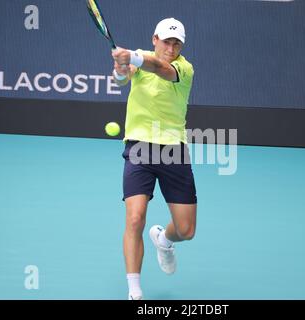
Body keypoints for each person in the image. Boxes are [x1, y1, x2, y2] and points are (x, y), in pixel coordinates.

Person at [111, 17, 197, 300]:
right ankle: (134, 290)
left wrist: (131, 57)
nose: (171, 48)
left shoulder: (183, 68)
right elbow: (121, 79)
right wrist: (122, 67)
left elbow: (160, 69)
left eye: (177, 43)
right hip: (139, 148)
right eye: (166, 41)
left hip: (173, 150)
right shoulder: (140, 59)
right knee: (135, 219)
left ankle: (163, 238)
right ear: (154, 39)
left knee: (186, 230)